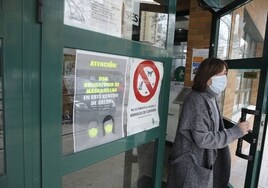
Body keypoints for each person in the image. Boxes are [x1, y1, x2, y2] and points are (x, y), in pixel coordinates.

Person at [167, 58, 250, 188]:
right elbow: (203, 139)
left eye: (225, 74)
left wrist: (236, 128)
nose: (224, 78)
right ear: (207, 76)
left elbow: (214, 127)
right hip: (191, 166)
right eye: (220, 74)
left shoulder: (211, 97)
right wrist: (235, 132)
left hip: (199, 163)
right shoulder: (196, 100)